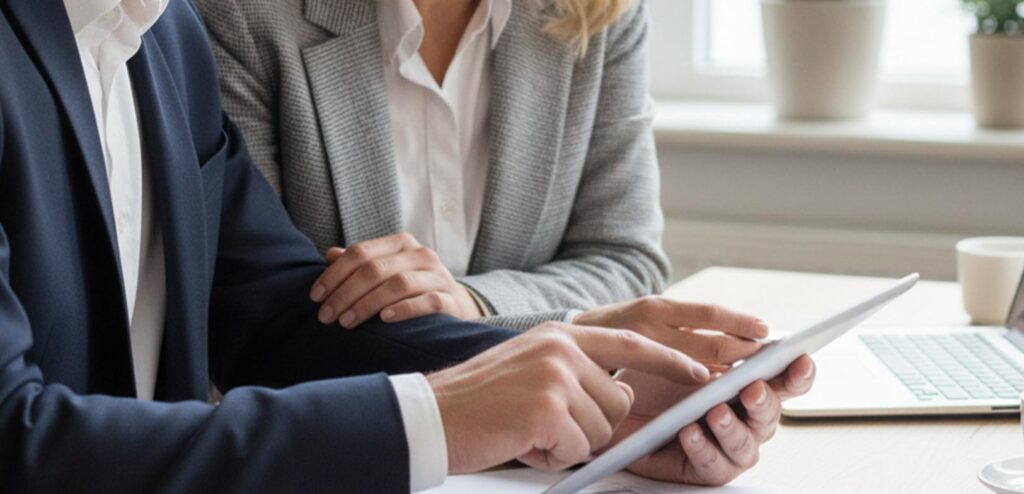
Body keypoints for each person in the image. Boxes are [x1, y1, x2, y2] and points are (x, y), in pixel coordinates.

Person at [0, 0, 814, 494]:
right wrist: (431, 418)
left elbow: (282, 315)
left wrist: (586, 388)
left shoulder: (161, 31)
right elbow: (15, 451)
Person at [195, 0, 753, 361]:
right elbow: (260, 317)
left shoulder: (599, 12)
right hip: (346, 443)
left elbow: (625, 260)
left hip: (537, 454)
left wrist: (475, 304)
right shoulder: (244, 14)